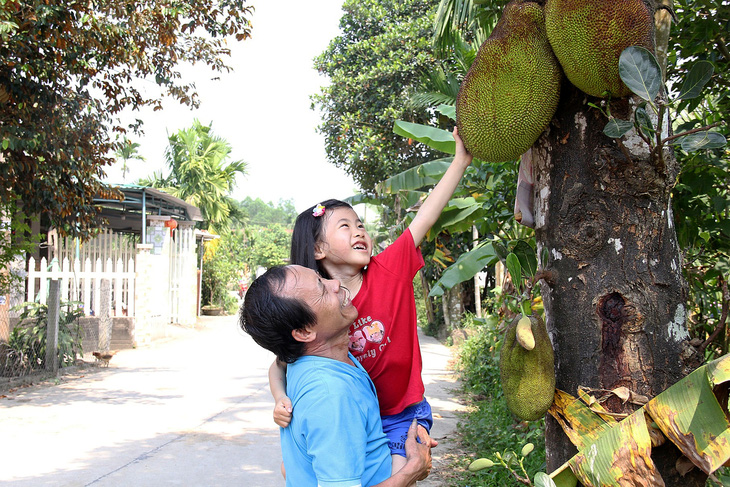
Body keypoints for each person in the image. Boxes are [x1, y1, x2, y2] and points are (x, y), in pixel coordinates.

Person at [270, 127, 473, 478]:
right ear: (318, 250)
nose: (360, 230)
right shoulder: (319, 306)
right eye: (345, 227)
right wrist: (279, 399)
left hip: (400, 414)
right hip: (353, 417)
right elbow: (281, 364)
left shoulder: (389, 270)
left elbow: (426, 216)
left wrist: (460, 160)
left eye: (360, 223)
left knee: (400, 476)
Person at [240, 265, 433, 487]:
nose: (335, 284)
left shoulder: (311, 360)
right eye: (322, 288)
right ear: (304, 332)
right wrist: (412, 470)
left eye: (322, 277)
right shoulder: (330, 395)